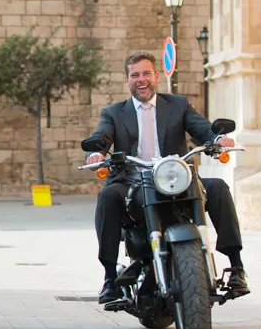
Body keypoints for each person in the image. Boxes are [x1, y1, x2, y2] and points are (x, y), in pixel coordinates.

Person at [84, 50, 250, 304]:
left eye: (146, 73)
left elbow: (201, 128)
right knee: (107, 196)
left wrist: (217, 139)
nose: (142, 79)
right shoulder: (114, 112)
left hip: (176, 178)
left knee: (217, 188)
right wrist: (97, 153)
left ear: (156, 76)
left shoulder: (178, 105)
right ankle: (109, 278)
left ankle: (236, 267)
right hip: (133, 181)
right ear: (127, 80)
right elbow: (103, 135)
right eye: (135, 74)